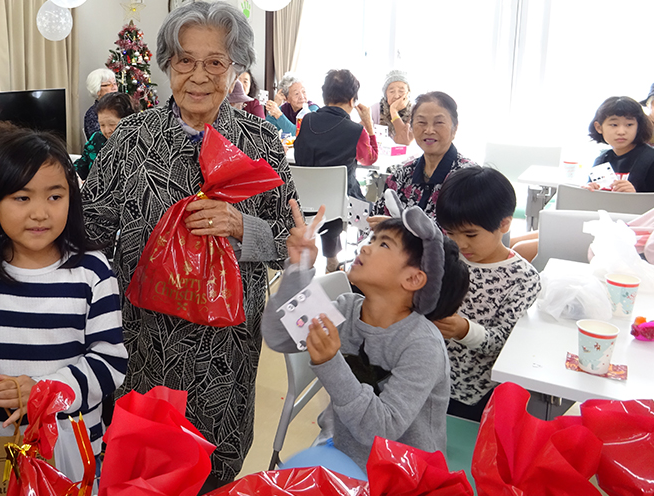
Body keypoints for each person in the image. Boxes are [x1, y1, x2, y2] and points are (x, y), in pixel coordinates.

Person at [80, 2, 297, 491]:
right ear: (166, 64)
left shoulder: (261, 141)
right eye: (184, 60)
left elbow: (287, 245)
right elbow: (90, 226)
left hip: (226, 347)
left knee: (216, 464)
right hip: (145, 340)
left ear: (236, 67)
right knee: (144, 461)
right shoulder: (132, 139)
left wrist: (244, 226)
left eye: (215, 62)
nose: (199, 76)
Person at [0, 129, 128, 479]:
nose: (40, 213)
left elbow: (109, 361)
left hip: (69, 449)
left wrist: (45, 393)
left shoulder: (93, 272)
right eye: (22, 198)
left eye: (55, 196)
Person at [262, 200, 470, 472]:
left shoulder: (423, 345)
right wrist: (298, 268)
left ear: (413, 279)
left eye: (383, 244)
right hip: (342, 453)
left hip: (402, 473)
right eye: (372, 239)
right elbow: (281, 336)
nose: (365, 246)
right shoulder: (347, 308)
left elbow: (381, 430)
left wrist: (330, 362)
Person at [434, 167, 541, 421]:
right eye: (451, 233)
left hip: (475, 393)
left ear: (504, 224)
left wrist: (463, 330)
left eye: (471, 234)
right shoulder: (444, 256)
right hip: (427, 378)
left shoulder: (522, 277)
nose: (460, 244)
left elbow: (506, 343)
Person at [511, 96, 654, 261]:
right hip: (592, 225)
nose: (621, 131)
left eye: (629, 124)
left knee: (520, 249)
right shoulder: (602, 160)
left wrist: (636, 194)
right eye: (614, 124)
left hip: (625, 237)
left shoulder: (650, 159)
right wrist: (588, 192)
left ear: (638, 126)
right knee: (511, 242)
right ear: (599, 127)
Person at [294, 68, 378, 272]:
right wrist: (368, 124)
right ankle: (351, 258)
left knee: (329, 197)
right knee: (363, 202)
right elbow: (370, 159)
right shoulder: (356, 131)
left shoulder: (305, 121)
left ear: (324, 97)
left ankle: (330, 258)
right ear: (352, 100)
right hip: (342, 206)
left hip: (303, 201)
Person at [369, 91, 478, 226]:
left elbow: (467, 238)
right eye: (421, 122)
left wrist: (400, 230)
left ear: (454, 129)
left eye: (439, 122)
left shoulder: (469, 179)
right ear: (412, 127)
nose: (429, 130)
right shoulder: (401, 175)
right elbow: (375, 222)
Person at [74, 92, 138, 180]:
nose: (107, 130)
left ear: (128, 120)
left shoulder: (138, 144)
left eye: (112, 124)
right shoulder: (96, 140)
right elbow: (80, 169)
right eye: (102, 125)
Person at [369, 70, 413, 145]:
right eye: (391, 91)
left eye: (401, 91)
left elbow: (405, 141)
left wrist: (393, 111)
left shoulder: (415, 110)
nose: (396, 96)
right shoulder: (375, 109)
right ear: (385, 94)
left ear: (408, 93)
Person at [84, 68, 119, 138]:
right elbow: (100, 142)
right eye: (108, 85)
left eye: (115, 84)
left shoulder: (121, 107)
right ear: (97, 90)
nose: (114, 88)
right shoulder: (92, 114)